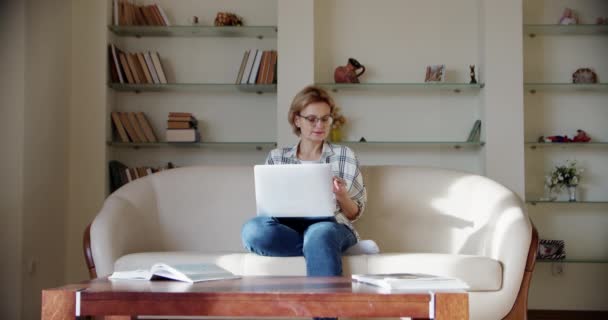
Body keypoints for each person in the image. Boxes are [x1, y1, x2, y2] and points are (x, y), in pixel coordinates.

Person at [241, 85, 367, 320]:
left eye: (325, 119)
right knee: (252, 230)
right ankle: (321, 249)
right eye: (312, 119)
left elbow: (354, 214)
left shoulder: (344, 155)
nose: (320, 125)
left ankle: (323, 249)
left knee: (319, 234)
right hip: (288, 226)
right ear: (297, 120)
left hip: (332, 224)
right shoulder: (277, 157)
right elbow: (268, 208)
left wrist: (342, 196)